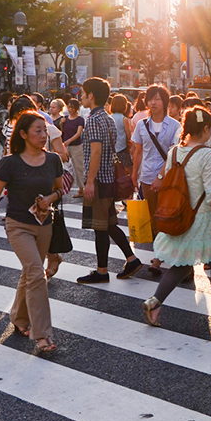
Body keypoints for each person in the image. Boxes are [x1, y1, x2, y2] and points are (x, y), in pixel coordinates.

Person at [0, 111, 63, 353]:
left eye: (45, 130)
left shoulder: (53, 160)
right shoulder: (9, 163)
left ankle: (18, 317)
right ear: (23, 134)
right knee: (37, 274)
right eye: (38, 131)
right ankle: (42, 333)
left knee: (29, 274)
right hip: (18, 226)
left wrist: (50, 198)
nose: (44, 135)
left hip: (45, 225)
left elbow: (60, 190)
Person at [141, 107, 211, 324]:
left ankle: (155, 301)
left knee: (182, 264)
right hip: (204, 217)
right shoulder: (208, 154)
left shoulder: (175, 150)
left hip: (182, 215)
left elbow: (165, 175)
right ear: (205, 129)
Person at [76, 78, 144, 284]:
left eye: (83, 93)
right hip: (108, 179)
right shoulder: (107, 119)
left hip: (99, 180)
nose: (81, 97)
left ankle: (103, 270)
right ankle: (130, 260)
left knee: (101, 226)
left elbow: (95, 153)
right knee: (108, 224)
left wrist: (89, 182)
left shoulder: (95, 120)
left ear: (91, 96)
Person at [131, 85, 181, 272]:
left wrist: (161, 175)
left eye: (158, 98)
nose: (153, 102)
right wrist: (134, 175)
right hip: (147, 176)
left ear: (165, 102)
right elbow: (138, 151)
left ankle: (165, 256)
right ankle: (160, 254)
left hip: (169, 178)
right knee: (154, 218)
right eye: (151, 98)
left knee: (168, 215)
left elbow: (174, 154)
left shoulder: (176, 126)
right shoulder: (141, 125)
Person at [61, 99, 86, 195]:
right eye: (69, 107)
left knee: (78, 167)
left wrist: (68, 141)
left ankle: (81, 189)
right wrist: (61, 123)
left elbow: (78, 133)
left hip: (76, 146)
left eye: (72, 107)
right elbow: (62, 131)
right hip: (65, 146)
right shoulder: (65, 118)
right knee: (63, 167)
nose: (70, 109)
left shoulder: (80, 119)